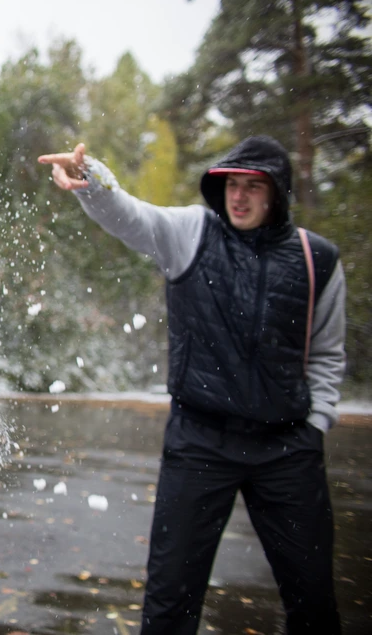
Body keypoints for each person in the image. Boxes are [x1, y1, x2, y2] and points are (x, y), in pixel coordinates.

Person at [39, 136, 345, 635]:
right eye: (231, 185)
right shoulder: (192, 232)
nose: (239, 197)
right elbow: (132, 217)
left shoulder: (318, 259)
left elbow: (329, 353)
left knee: (313, 599)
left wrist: (316, 424)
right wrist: (92, 181)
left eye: (253, 187)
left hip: (288, 449)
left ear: (278, 194)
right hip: (201, 441)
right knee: (171, 600)